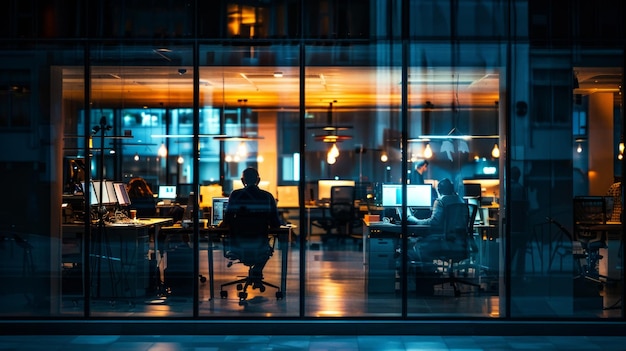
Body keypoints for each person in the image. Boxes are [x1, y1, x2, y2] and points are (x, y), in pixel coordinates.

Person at [221, 167, 281, 281]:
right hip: (260, 245)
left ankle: (256, 272)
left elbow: (227, 219)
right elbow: (276, 224)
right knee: (267, 249)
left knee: (263, 248)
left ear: (242, 181)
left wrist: (223, 224)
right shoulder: (267, 197)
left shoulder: (235, 195)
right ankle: (257, 270)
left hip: (238, 246)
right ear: (258, 180)